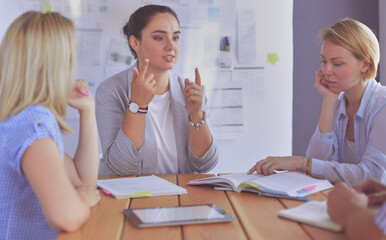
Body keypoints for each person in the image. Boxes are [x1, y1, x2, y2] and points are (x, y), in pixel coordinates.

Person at [248, 18, 386, 186]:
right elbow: (318, 167)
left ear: (365, 64)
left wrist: (300, 163)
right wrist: (328, 102)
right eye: (324, 61)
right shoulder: (339, 104)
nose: (326, 71)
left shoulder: (382, 105)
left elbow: (372, 176)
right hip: (349, 205)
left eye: (337, 63)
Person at [0, 11, 100, 239]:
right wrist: (81, 202)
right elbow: (66, 214)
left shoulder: (19, 119)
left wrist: (88, 111)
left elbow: (84, 182)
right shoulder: (33, 127)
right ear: (56, 68)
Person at [95, 4, 218, 175]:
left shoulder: (190, 91)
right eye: (159, 38)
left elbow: (205, 165)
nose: (170, 46)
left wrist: (197, 115)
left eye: (175, 37)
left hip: (183, 197)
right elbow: (121, 168)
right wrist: (137, 105)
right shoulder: (110, 91)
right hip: (131, 199)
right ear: (135, 42)